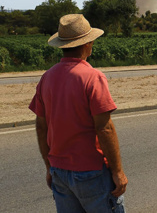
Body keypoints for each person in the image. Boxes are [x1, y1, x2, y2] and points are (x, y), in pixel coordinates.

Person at [29, 14, 127, 212]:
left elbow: (41, 126)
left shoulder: (47, 78)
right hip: (91, 172)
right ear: (87, 44)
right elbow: (104, 128)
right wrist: (117, 172)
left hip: (59, 172)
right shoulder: (93, 77)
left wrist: (49, 167)